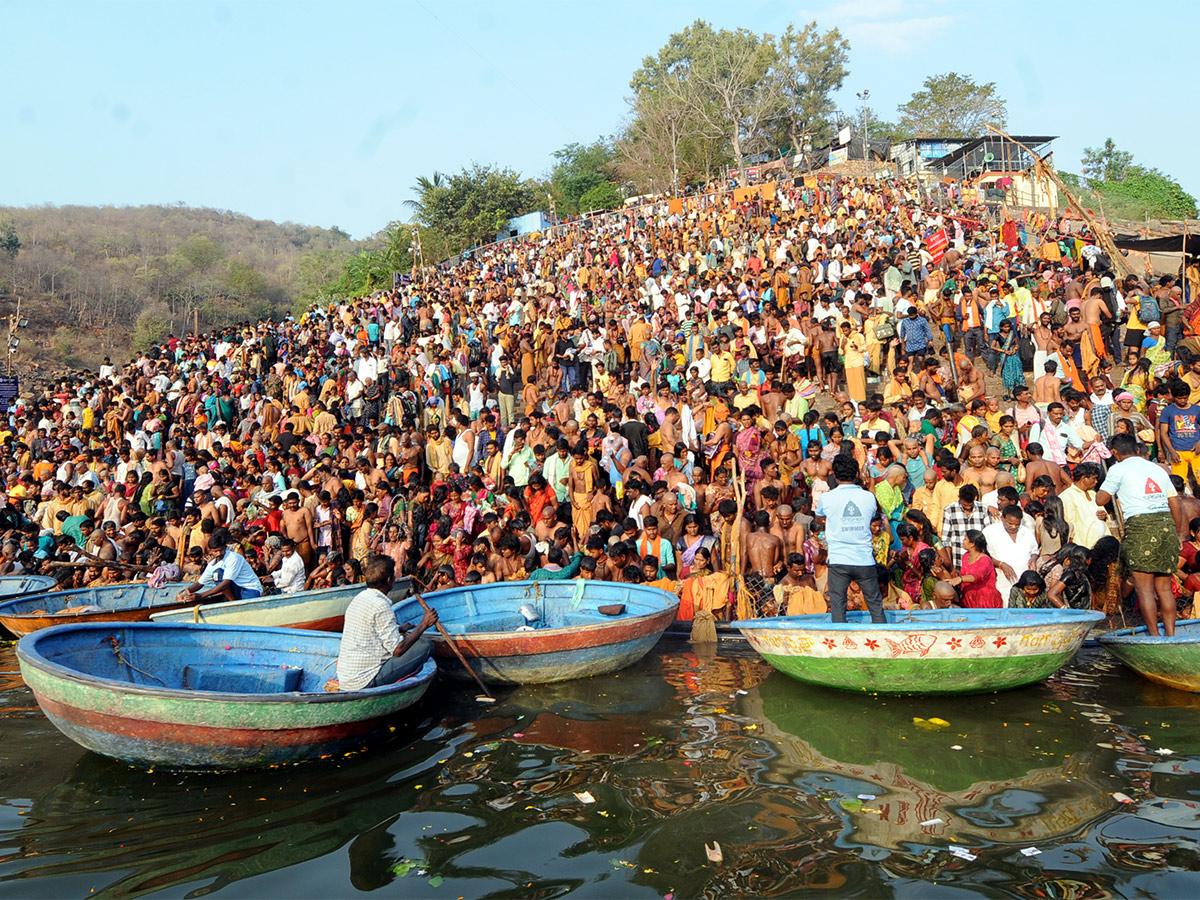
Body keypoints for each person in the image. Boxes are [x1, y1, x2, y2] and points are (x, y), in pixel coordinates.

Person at [1096, 432, 1183, 636]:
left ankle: (1155, 637)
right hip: (1166, 525)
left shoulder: (1117, 469)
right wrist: (1178, 533)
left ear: (1115, 453)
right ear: (1137, 450)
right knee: (1164, 588)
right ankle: (1170, 636)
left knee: (1144, 589)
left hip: (1140, 526)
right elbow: (1175, 502)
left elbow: (1101, 499)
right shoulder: (1158, 468)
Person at [335, 554, 439, 690]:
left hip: (346, 677)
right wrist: (424, 624)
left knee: (410, 640)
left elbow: (371, 629)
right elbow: (398, 650)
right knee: (426, 645)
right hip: (365, 681)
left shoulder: (360, 597)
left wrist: (398, 629)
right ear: (389, 580)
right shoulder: (381, 605)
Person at [814, 455, 885, 624]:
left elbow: (818, 518)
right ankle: (883, 638)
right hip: (864, 559)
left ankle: (840, 642)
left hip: (839, 560)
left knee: (838, 605)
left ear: (835, 476)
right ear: (856, 475)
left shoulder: (827, 498)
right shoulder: (869, 497)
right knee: (875, 604)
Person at [175, 528, 263, 604]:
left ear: (225, 548)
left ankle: (233, 603)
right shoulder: (213, 564)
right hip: (237, 589)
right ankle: (233, 602)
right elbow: (200, 583)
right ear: (211, 551)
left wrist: (201, 596)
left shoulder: (233, 557)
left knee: (218, 573)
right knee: (216, 573)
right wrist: (184, 593)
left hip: (250, 588)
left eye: (221, 550)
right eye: (215, 551)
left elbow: (226, 583)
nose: (219, 553)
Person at [945, 529, 1002, 608]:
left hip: (984, 601)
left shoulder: (985, 560)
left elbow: (978, 576)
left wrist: (960, 579)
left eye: (965, 539)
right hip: (969, 599)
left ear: (972, 544)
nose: (963, 541)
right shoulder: (965, 556)